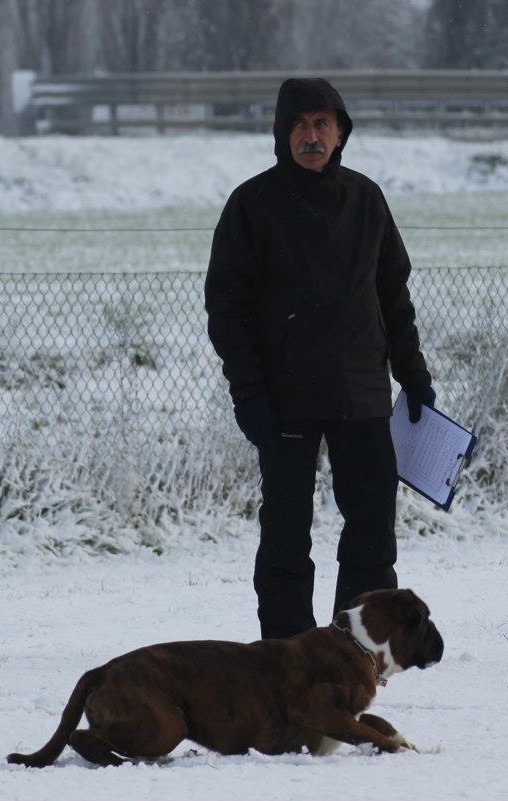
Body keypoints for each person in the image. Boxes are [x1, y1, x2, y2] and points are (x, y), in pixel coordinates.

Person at [204, 78, 435, 640]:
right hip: (284, 401)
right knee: (286, 534)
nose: (311, 136)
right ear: (282, 134)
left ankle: (357, 651)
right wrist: (250, 394)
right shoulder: (252, 204)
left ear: (340, 132)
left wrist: (413, 373)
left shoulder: (366, 199)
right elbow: (226, 307)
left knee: (372, 535)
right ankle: (285, 655)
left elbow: (393, 294)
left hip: (361, 393)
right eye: (299, 126)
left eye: (322, 124)